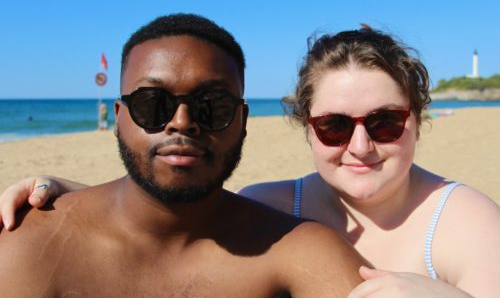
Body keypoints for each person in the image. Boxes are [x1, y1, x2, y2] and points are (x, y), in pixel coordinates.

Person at [2, 26, 499, 297]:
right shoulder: (271, 206)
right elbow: (172, 211)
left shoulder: (468, 223)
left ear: (417, 120)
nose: (361, 145)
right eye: (334, 126)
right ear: (307, 126)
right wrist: (68, 192)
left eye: (385, 122)